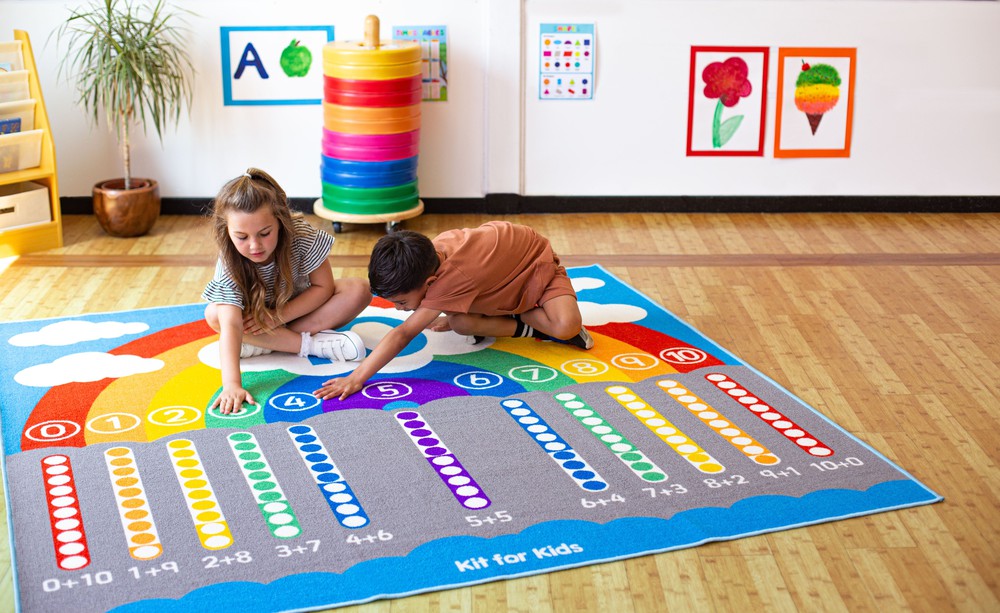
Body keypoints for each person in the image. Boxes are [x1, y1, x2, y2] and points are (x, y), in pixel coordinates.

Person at [315, 220, 592, 401]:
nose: (400, 310)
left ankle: (521, 317)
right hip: (494, 284)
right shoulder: (429, 253)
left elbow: (403, 334)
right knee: (461, 323)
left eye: (402, 302)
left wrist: (356, 378)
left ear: (430, 283)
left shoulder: (450, 280)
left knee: (565, 326)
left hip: (538, 270)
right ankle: (524, 322)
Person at [203, 168, 371, 414]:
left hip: (300, 312)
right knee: (214, 315)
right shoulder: (229, 258)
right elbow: (231, 324)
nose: (255, 245)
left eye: (265, 233)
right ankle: (312, 346)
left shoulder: (302, 236)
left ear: (281, 222)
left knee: (359, 289)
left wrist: (277, 317)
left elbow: (323, 287)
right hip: (255, 319)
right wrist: (232, 385)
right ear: (226, 230)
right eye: (241, 237)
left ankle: (266, 343)